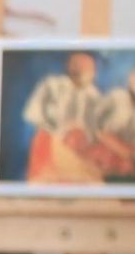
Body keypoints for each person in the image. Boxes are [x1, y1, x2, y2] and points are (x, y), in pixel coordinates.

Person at [22, 52, 102, 183]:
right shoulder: (51, 85)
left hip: (80, 152)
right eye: (77, 65)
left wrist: (81, 138)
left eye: (88, 67)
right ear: (69, 66)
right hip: (50, 144)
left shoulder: (95, 96)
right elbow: (33, 115)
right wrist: (62, 134)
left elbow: (97, 131)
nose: (82, 70)